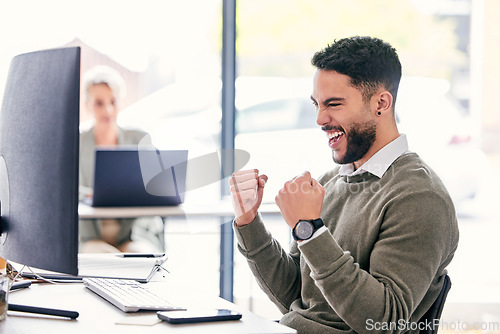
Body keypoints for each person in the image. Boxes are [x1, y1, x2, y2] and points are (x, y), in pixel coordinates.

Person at [229, 36, 459, 334]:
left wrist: (310, 229)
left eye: (333, 104)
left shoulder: (419, 197)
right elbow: (298, 299)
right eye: (317, 105)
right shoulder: (330, 183)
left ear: (381, 103)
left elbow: (383, 320)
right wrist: (249, 221)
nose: (320, 118)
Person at [79, 65, 163, 253]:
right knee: (107, 258)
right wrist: (89, 195)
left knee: (141, 256)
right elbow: (61, 190)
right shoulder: (75, 142)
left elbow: (154, 185)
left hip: (133, 232)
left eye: (113, 102)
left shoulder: (140, 139)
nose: (107, 110)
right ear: (87, 105)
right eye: (99, 103)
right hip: (90, 235)